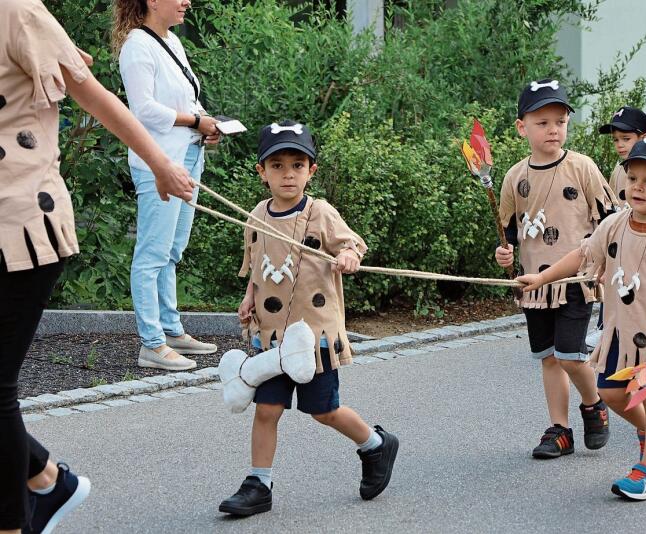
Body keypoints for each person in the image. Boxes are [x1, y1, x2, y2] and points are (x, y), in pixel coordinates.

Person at [0, 1, 194, 532]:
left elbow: (97, 97)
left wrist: (160, 164)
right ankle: (47, 479)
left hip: (20, 224)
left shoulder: (16, 11)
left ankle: (26, 509)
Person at [218, 121, 399, 516]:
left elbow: (351, 243)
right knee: (266, 408)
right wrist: (249, 297)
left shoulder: (320, 213)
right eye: (278, 165)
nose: (288, 174)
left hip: (312, 338)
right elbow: (258, 266)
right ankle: (258, 484)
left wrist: (349, 255)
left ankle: (375, 445)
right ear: (261, 172)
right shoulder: (256, 216)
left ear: (311, 170)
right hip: (271, 339)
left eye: (297, 165)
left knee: (324, 411)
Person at [517, 136, 646, 501]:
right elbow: (582, 256)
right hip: (620, 333)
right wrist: (541, 277)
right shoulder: (614, 225)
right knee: (610, 392)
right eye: (633, 178)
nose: (638, 187)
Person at [495, 79, 615, 459]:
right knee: (548, 357)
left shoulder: (582, 167)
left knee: (569, 355)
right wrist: (504, 254)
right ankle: (559, 429)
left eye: (560, 121)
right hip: (534, 283)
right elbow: (510, 232)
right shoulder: (515, 177)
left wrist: (610, 262)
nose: (553, 129)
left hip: (577, 281)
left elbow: (610, 222)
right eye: (543, 122)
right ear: (521, 127)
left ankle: (594, 403)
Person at [113, 0, 220, 371]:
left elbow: (187, 100)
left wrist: (206, 124)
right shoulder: (136, 46)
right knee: (152, 254)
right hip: (157, 163)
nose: (187, 1)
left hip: (188, 156)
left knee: (173, 249)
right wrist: (195, 121)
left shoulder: (173, 41)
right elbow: (142, 111)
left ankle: (171, 330)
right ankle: (152, 344)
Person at [586, 106, 646, 350]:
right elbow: (614, 203)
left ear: (643, 138)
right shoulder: (619, 167)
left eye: (626, 139)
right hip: (621, 236)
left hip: (644, 237)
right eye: (616, 140)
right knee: (615, 277)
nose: (620, 145)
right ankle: (607, 327)